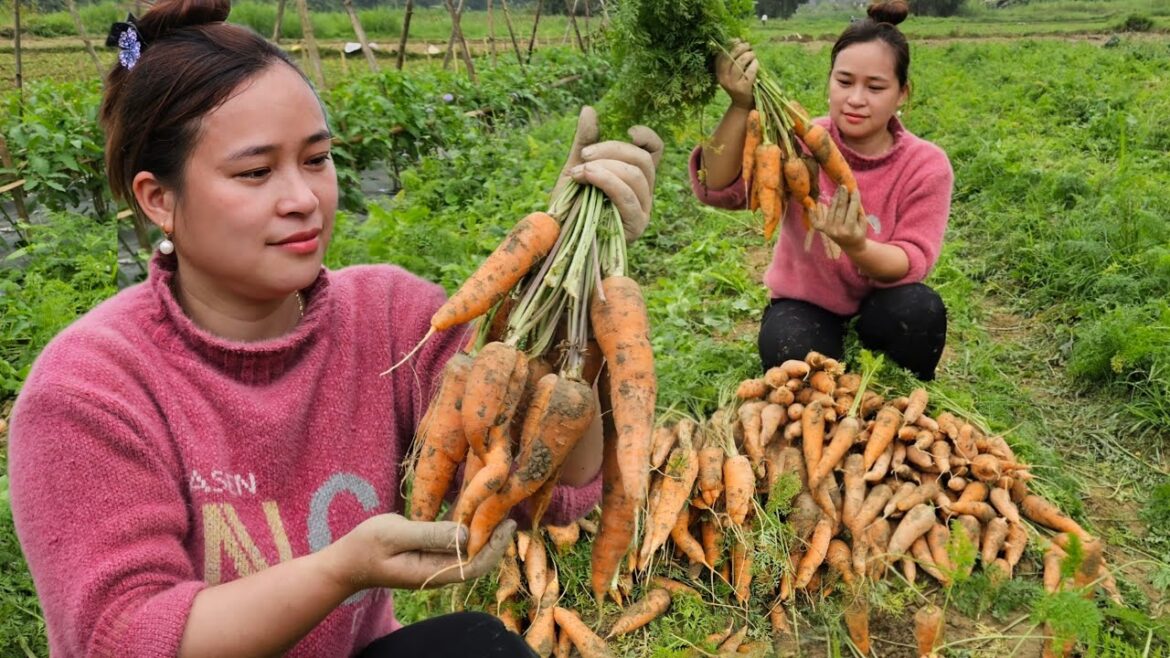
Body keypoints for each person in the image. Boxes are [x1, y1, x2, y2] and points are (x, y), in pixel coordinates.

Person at [5, 0, 661, 656]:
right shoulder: (91, 387)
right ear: (159, 199)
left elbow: (543, 484)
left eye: (316, 160)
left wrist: (576, 286)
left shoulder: (387, 316)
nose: (302, 198)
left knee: (475, 645)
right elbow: (120, 638)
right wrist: (338, 570)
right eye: (256, 172)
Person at [690, 0, 953, 380]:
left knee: (920, 311)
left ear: (902, 95)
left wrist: (858, 247)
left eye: (875, 87)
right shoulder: (794, 140)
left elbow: (911, 258)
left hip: (882, 303)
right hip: (805, 303)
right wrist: (739, 104)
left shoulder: (926, 165)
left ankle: (898, 397)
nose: (856, 99)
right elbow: (717, 187)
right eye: (844, 81)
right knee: (789, 351)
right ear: (829, 80)